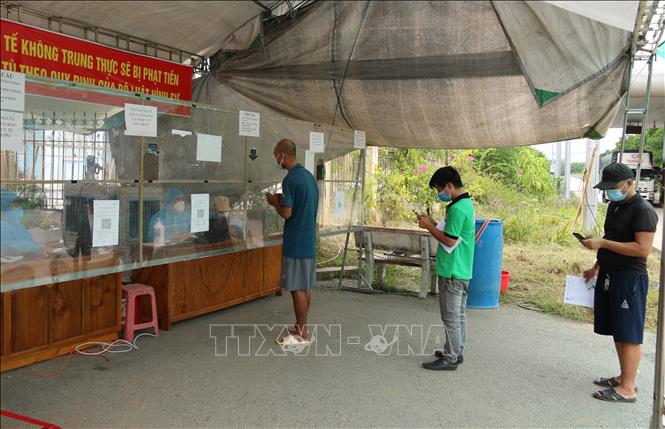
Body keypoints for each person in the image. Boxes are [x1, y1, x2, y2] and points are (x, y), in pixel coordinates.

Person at [580, 162, 658, 403]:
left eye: (613, 187)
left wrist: (602, 244)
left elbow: (642, 249)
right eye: (606, 188)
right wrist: (596, 266)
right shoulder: (615, 204)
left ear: (629, 183)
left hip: (629, 277)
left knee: (629, 333)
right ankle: (624, 376)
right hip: (610, 274)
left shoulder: (643, 210)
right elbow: (612, 238)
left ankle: (629, 388)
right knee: (618, 329)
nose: (609, 192)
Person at [417, 166, 475, 371]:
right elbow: (451, 233)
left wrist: (428, 227)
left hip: (451, 271)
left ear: (449, 186)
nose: (439, 194)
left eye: (439, 189)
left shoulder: (457, 209)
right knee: (458, 315)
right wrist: (431, 222)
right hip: (462, 269)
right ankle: (456, 351)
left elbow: (449, 241)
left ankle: (450, 358)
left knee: (450, 317)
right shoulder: (465, 204)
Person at [266, 138, 319, 346]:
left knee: (296, 288)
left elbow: (287, 213)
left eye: (275, 156)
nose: (276, 160)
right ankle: (300, 325)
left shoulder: (290, 180)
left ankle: (301, 335)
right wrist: (283, 199)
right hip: (308, 239)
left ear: (283, 155)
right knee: (305, 286)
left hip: (295, 241)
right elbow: (301, 203)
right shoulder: (308, 176)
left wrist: (274, 203)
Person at [0, 188, 44, 256]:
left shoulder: (19, 225)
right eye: (16, 206)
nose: (19, 209)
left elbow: (28, 242)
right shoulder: (2, 226)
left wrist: (39, 249)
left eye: (19, 205)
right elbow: (7, 246)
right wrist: (37, 247)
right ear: (3, 208)